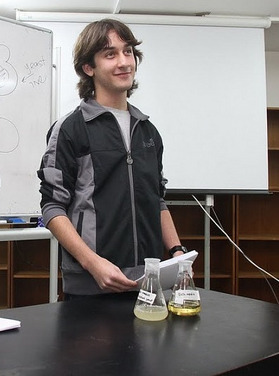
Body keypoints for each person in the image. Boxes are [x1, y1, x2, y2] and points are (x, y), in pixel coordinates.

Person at [38, 18, 186, 300]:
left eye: (128, 51)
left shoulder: (148, 130)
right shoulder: (71, 128)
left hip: (148, 281)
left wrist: (177, 251)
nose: (124, 62)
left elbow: (157, 200)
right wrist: (92, 264)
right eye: (110, 54)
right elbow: (52, 207)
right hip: (91, 282)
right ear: (88, 67)